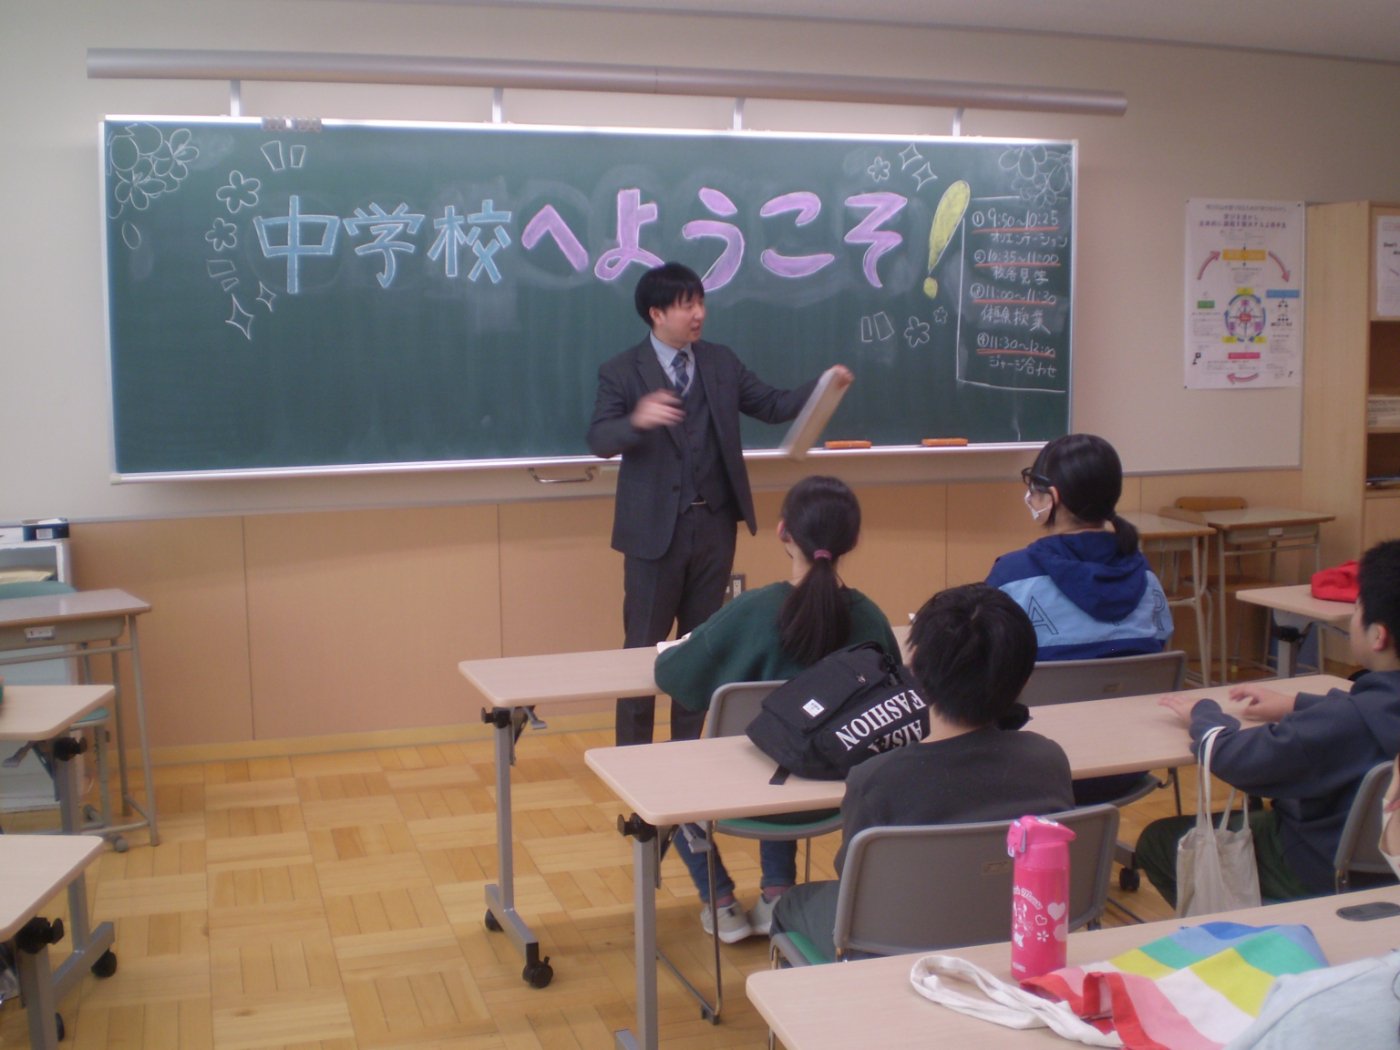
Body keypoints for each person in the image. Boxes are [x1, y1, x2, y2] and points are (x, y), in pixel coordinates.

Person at [587, 261, 851, 747]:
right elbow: (600, 439)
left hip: (714, 526)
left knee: (702, 647)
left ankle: (689, 753)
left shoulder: (720, 362)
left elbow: (772, 405)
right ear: (656, 313)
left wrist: (823, 386)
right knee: (642, 649)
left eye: (701, 302)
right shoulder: (622, 371)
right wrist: (638, 419)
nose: (699, 314)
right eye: (686, 305)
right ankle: (632, 757)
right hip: (653, 535)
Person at [768, 583, 1074, 962]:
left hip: (899, 952)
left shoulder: (876, 779)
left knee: (792, 903)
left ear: (914, 672)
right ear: (1024, 679)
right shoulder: (1049, 760)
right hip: (1018, 936)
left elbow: (854, 883)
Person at [653, 475, 899, 943]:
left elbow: (675, 677)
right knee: (792, 745)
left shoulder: (752, 610)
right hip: (839, 790)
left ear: (784, 531)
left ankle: (719, 901)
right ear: (852, 540)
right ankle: (777, 894)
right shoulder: (868, 616)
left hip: (752, 791)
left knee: (708, 761)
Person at [1136, 539, 1400, 907]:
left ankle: (1251, 931)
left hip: (1318, 867)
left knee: (1158, 841)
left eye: (1357, 609)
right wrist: (1297, 704)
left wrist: (1204, 714)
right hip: (1389, 870)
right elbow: (1371, 710)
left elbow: (1234, 758)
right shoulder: (1353, 714)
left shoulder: (1344, 721)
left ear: (1378, 635)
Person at [987, 432, 1173, 805]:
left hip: (1034, 768)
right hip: (1129, 763)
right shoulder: (1146, 578)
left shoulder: (1012, 576)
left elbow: (985, 672)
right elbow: (1162, 647)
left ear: (1052, 497)